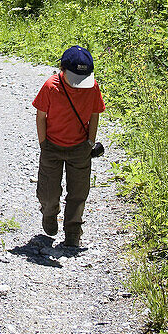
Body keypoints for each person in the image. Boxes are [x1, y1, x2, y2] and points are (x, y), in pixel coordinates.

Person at [32, 46, 105, 247]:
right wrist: (43, 144)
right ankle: (49, 213)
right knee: (47, 191)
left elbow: (94, 114)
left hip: (80, 147)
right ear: (62, 69)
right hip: (52, 146)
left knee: (79, 192)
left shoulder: (93, 87)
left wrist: (90, 142)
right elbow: (41, 117)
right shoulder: (50, 86)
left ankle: (73, 231)